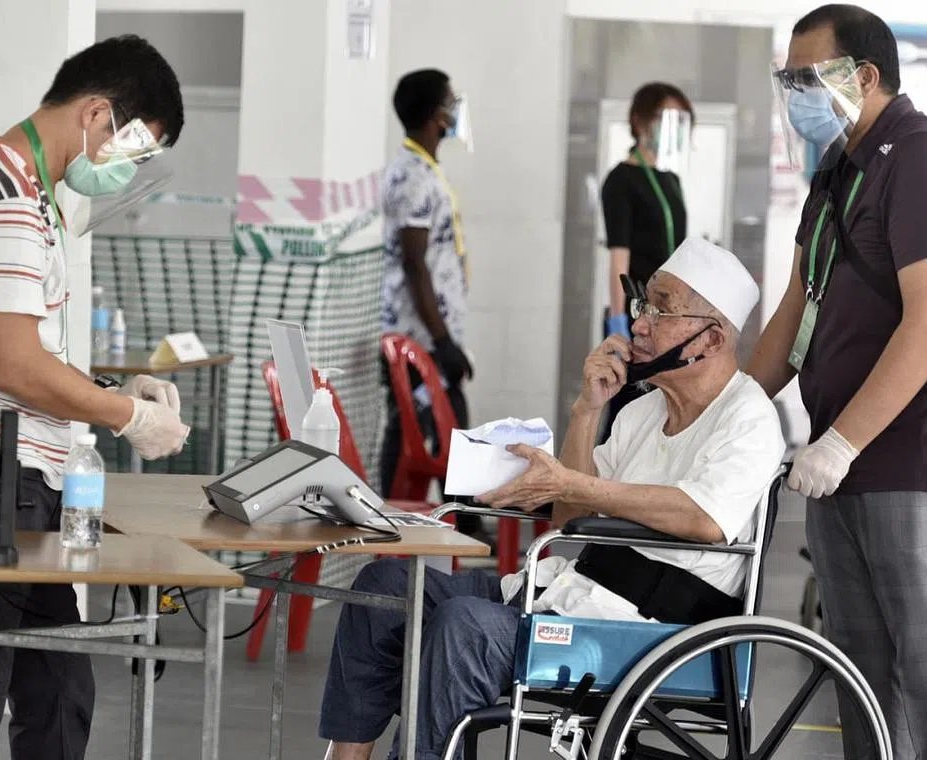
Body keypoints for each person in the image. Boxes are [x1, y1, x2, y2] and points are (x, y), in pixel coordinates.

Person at [321, 238, 785, 760]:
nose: (638, 324)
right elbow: (569, 519)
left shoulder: (748, 418)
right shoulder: (642, 412)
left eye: (660, 310)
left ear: (712, 338)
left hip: (651, 632)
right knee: (384, 589)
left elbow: (704, 519)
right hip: (570, 595)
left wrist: (572, 483)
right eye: (643, 305)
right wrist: (587, 409)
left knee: (465, 628)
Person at [0, 36, 189, 760]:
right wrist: (129, 417)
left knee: (56, 685)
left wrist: (111, 390)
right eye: (136, 149)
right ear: (97, 114)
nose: (130, 169)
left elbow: (25, 353)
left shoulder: (28, 191)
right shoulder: (7, 200)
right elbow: (17, 367)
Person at [749, 6, 927, 758]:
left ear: (865, 76)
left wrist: (844, 443)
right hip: (833, 467)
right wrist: (721, 414)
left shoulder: (915, 158)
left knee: (920, 667)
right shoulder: (833, 172)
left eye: (807, 78)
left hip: (900, 464)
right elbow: (796, 311)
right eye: (787, 80)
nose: (795, 95)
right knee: (861, 675)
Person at [379, 69, 485, 542]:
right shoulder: (414, 176)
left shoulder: (422, 169)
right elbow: (414, 262)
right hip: (418, 337)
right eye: (449, 101)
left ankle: (462, 522)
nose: (455, 109)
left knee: (437, 428)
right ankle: (460, 525)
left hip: (429, 334)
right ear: (434, 115)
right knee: (424, 427)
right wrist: (442, 342)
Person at [598, 82, 694, 443]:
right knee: (625, 407)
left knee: (661, 408)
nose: (673, 128)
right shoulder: (621, 180)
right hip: (636, 314)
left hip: (669, 316)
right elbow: (618, 255)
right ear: (639, 121)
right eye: (666, 117)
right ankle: (600, 476)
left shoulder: (671, 180)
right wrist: (618, 319)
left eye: (681, 121)